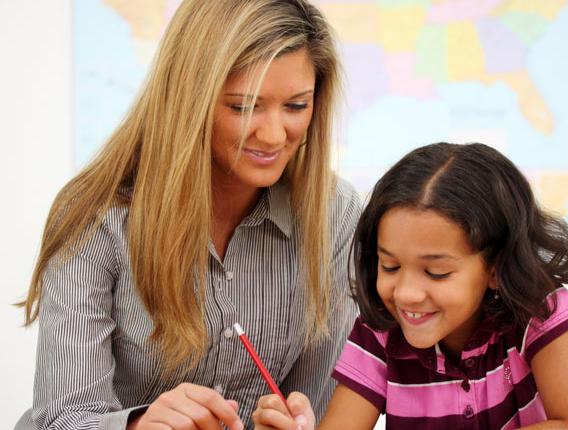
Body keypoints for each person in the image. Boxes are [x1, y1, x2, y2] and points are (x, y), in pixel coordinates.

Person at [15, 1, 362, 429]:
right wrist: (138, 426)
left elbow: (319, 410)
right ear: (189, 98)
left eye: (295, 106)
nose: (274, 135)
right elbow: (61, 418)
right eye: (243, 107)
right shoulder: (96, 215)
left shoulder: (337, 216)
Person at [253, 142, 568, 430]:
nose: (405, 293)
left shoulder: (540, 314)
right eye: (389, 265)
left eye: (435, 273)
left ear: (495, 267)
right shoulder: (380, 333)